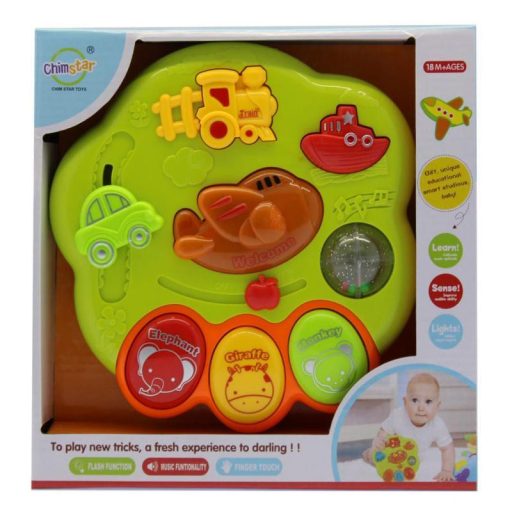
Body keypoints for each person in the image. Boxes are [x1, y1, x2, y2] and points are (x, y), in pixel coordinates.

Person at [363, 373, 455, 481]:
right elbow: (384, 431)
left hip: (412, 459)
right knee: (375, 457)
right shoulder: (398, 416)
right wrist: (380, 440)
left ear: (437, 406)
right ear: (405, 402)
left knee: (406, 473)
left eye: (428, 401)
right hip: (391, 451)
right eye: (415, 400)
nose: (421, 407)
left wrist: (447, 470)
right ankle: (368, 454)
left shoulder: (438, 425)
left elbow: (447, 448)